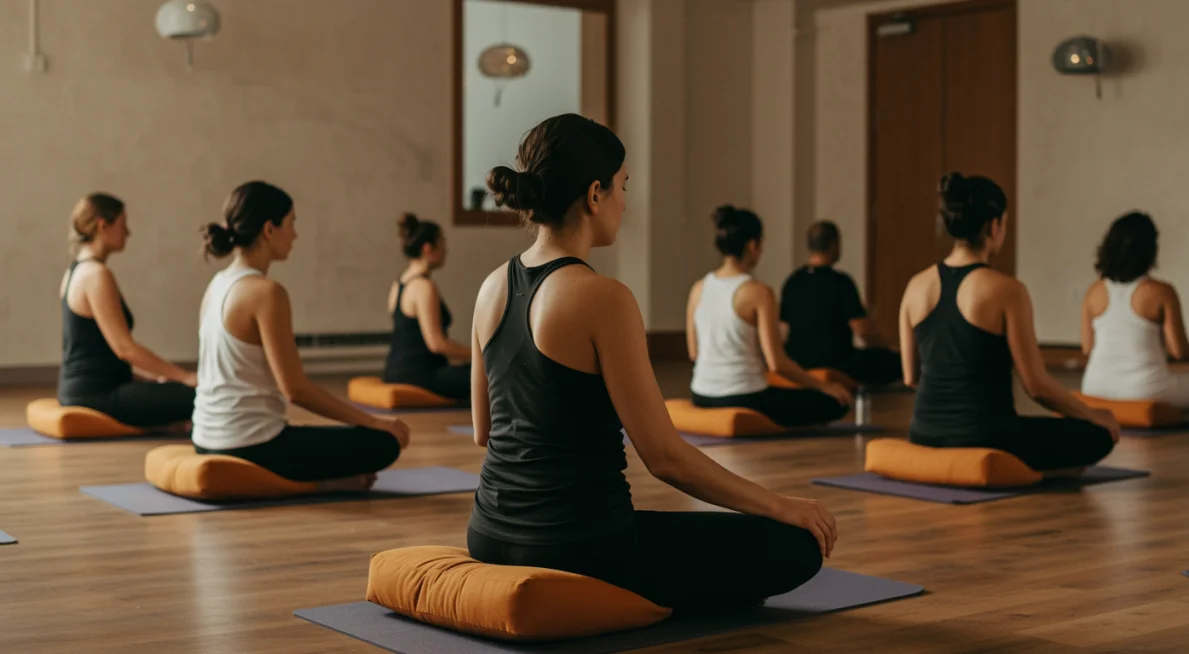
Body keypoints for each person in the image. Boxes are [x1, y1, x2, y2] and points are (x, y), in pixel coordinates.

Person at [465, 114, 837, 611]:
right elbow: (663, 458)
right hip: (583, 547)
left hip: (487, 535)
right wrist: (781, 504)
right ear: (595, 195)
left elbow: (483, 432)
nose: (625, 200)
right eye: (623, 186)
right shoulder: (603, 297)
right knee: (797, 546)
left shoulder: (491, 287)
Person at [191, 181, 407, 490]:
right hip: (252, 446)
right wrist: (373, 421)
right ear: (269, 229)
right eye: (291, 223)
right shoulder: (266, 292)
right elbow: (295, 390)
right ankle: (326, 485)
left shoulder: (216, 284)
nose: (295, 234)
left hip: (204, 439)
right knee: (383, 443)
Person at [899, 172, 1118, 472]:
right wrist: (1092, 415)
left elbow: (911, 376)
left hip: (923, 433)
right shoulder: (1006, 290)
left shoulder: (915, 286)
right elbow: (1036, 385)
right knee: (1097, 435)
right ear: (994, 225)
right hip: (988, 436)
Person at [686, 206, 851, 427]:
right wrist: (822, 386)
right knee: (836, 403)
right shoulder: (759, 292)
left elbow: (694, 352)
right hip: (745, 397)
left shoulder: (698, 288)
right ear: (753, 245)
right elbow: (777, 364)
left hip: (701, 395)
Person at [57, 193, 195, 428]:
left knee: (173, 391)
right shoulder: (96, 275)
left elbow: (96, 353)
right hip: (96, 396)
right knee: (205, 398)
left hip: (82, 390)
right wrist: (186, 377)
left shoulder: (75, 271)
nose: (128, 233)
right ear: (103, 226)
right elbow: (124, 349)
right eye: (123, 224)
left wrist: (153, 378)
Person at [1081, 211, 1189, 408]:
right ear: (1150, 250)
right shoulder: (1161, 291)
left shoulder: (1094, 291)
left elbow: (1087, 348)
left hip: (1094, 387)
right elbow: (1179, 351)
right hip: (1145, 391)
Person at [780, 221, 902, 385]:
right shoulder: (841, 283)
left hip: (798, 362)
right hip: (837, 362)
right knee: (898, 361)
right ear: (834, 245)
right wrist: (889, 346)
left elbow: (782, 331)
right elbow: (864, 333)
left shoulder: (792, 282)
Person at [381, 213, 470, 400]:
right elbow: (437, 344)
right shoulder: (424, 287)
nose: (447, 250)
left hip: (394, 371)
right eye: (443, 243)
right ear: (428, 249)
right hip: (419, 375)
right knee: (490, 375)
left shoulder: (398, 284)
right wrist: (480, 355)